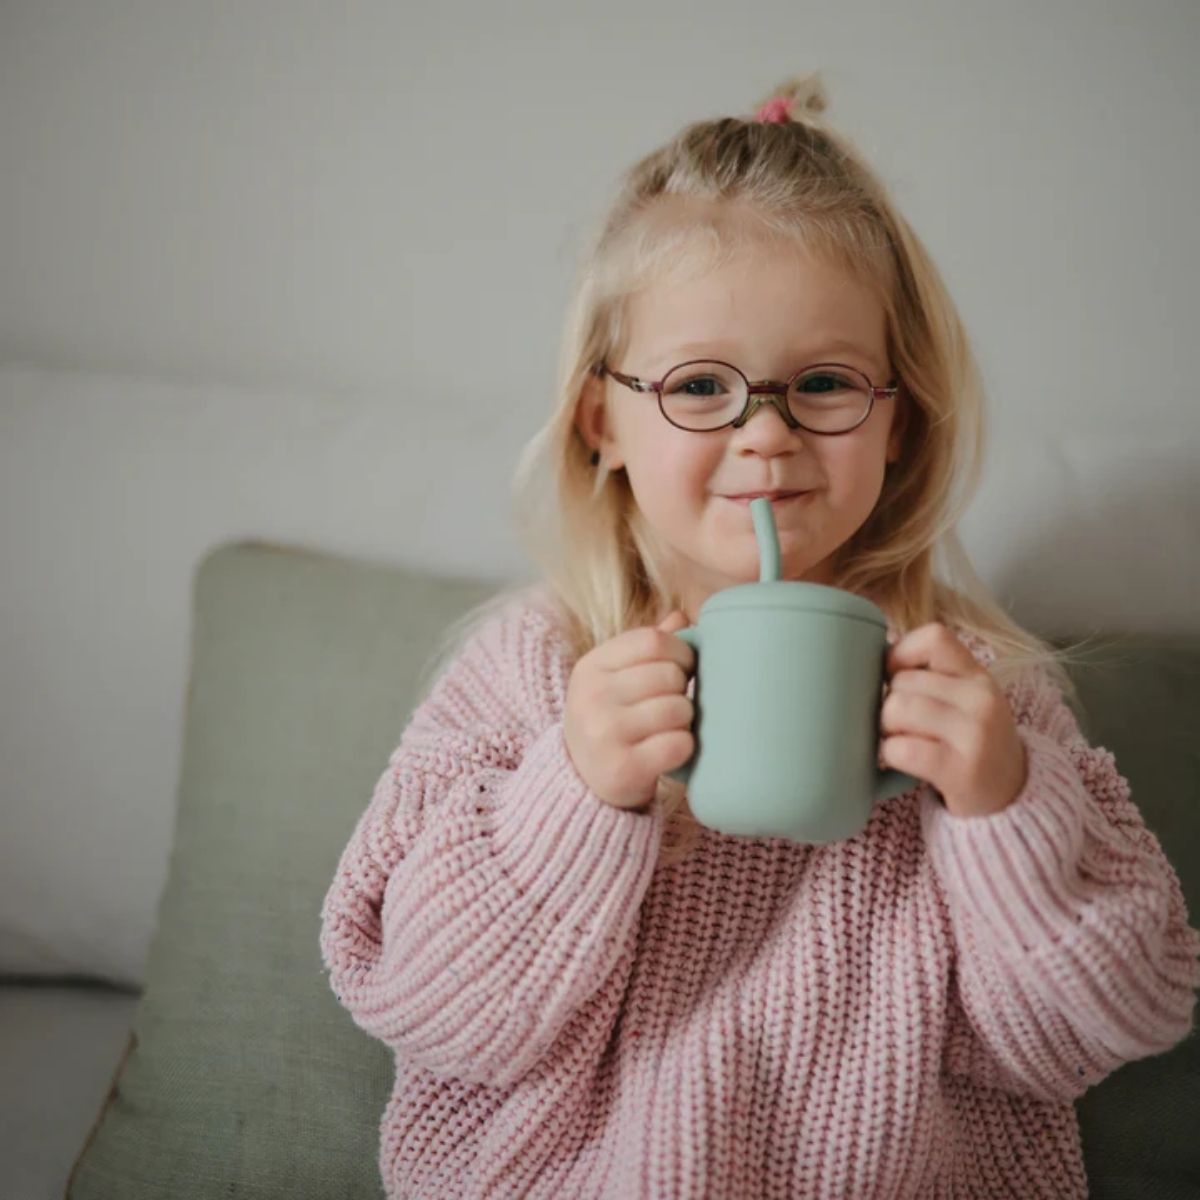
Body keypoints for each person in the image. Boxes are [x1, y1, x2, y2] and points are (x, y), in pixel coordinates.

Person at [318, 72, 1200, 1198]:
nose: (767, 434)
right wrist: (574, 796)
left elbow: (1114, 1022)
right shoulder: (536, 672)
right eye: (700, 386)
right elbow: (421, 1002)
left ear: (897, 420)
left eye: (824, 382)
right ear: (601, 423)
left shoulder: (982, 697)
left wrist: (1005, 812)